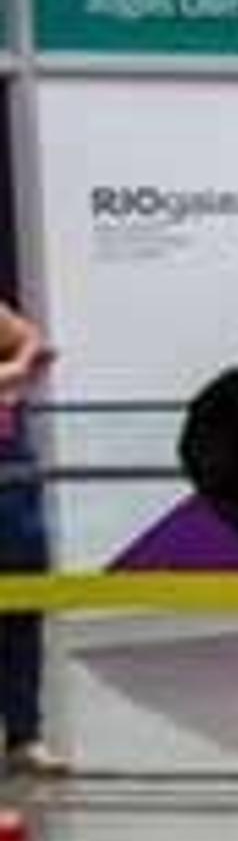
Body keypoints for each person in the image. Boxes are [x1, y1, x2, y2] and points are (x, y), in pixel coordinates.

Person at [0, 300, 62, 777]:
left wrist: (19, 363)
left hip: (9, 469)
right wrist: (13, 374)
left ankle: (24, 736)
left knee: (22, 605)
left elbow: (32, 338)